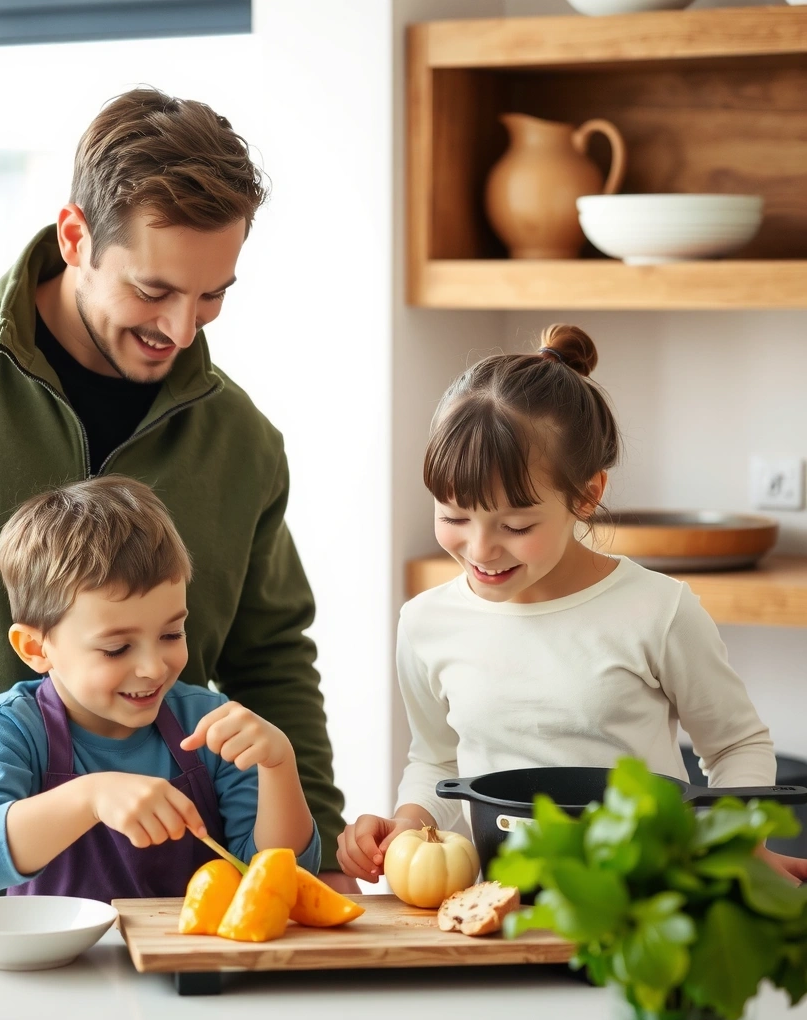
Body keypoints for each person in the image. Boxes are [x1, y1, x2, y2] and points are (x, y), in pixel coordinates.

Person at [0, 86, 351, 893]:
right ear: (75, 236)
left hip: (173, 899)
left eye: (213, 294)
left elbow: (273, 659)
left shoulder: (243, 441)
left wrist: (314, 848)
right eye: (154, 291)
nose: (182, 330)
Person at [337, 323, 807, 887]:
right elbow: (436, 762)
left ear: (586, 495)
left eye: (515, 524)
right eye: (454, 516)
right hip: (502, 903)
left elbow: (737, 744)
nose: (480, 549)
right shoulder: (425, 623)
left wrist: (735, 841)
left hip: (641, 894)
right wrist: (408, 824)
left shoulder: (658, 611)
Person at [0, 476, 319, 899]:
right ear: (35, 647)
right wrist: (91, 795)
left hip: (190, 959)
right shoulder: (10, 727)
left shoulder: (207, 724)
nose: (152, 667)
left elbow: (274, 879)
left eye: (172, 634)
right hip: (64, 965)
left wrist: (280, 767)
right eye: (117, 648)